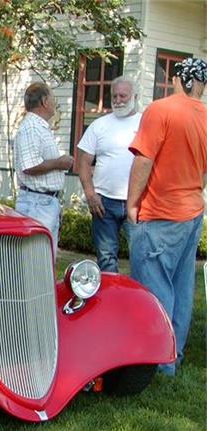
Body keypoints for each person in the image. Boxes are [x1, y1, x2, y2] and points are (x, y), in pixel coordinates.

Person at [127, 57, 207, 376]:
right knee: (181, 285)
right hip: (192, 212)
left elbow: (143, 160)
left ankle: (157, 361)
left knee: (153, 286)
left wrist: (132, 203)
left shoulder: (161, 110)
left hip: (160, 213)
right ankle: (173, 354)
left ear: (178, 78)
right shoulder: (205, 117)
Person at [77, 76, 141, 272]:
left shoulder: (147, 122)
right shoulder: (100, 125)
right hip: (104, 203)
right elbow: (84, 162)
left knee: (142, 256)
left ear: (135, 96)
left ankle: (140, 301)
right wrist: (90, 194)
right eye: (114, 96)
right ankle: (110, 298)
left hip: (138, 201)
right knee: (106, 258)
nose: (118, 100)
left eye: (123, 95)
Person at [13, 82, 74, 255]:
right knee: (37, 259)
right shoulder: (31, 127)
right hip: (37, 204)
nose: (56, 103)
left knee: (45, 259)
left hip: (43, 203)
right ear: (45, 101)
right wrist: (59, 163)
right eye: (53, 98)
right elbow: (29, 166)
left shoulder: (38, 127)